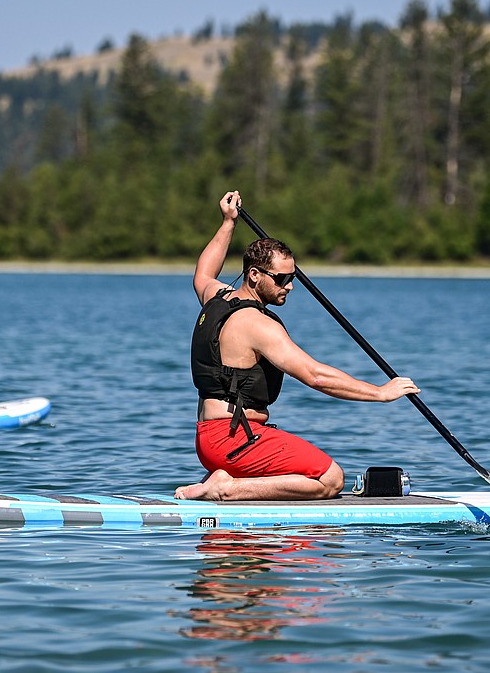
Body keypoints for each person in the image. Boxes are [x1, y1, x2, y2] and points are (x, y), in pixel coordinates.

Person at [175, 191, 419, 501]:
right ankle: (228, 488)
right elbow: (315, 375)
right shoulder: (258, 325)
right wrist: (380, 393)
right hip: (235, 440)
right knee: (330, 479)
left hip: (210, 439)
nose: (289, 286)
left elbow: (204, 273)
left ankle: (225, 477)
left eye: (293, 277)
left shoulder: (217, 297)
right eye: (281, 279)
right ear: (253, 274)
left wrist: (228, 223)